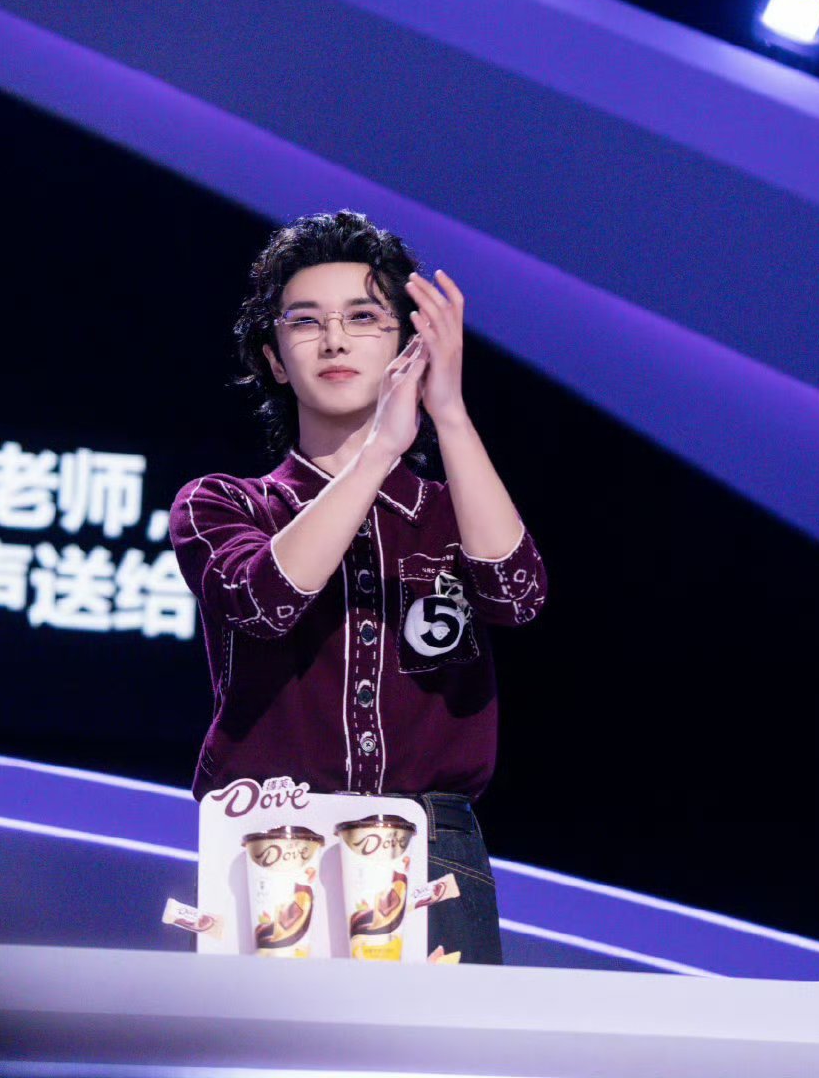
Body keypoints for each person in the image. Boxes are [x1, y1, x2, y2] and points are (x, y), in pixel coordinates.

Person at [169, 209, 548, 963]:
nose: (335, 340)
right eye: (306, 322)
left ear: (410, 346)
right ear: (276, 359)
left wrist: (448, 413)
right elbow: (265, 603)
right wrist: (378, 451)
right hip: (268, 841)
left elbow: (517, 595)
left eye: (364, 318)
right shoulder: (224, 504)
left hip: (433, 847)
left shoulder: (452, 511)